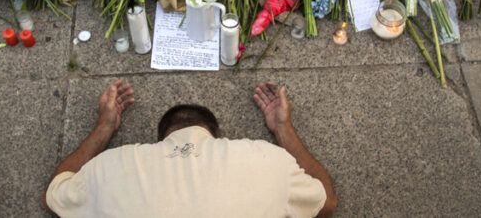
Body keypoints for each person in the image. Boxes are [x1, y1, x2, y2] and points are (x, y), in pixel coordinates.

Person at [44, 79, 337, 217]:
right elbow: (325, 202)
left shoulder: (109, 167)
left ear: (160, 139)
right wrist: (283, 128)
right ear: (216, 134)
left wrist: (104, 126)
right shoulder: (267, 159)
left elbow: (56, 192)